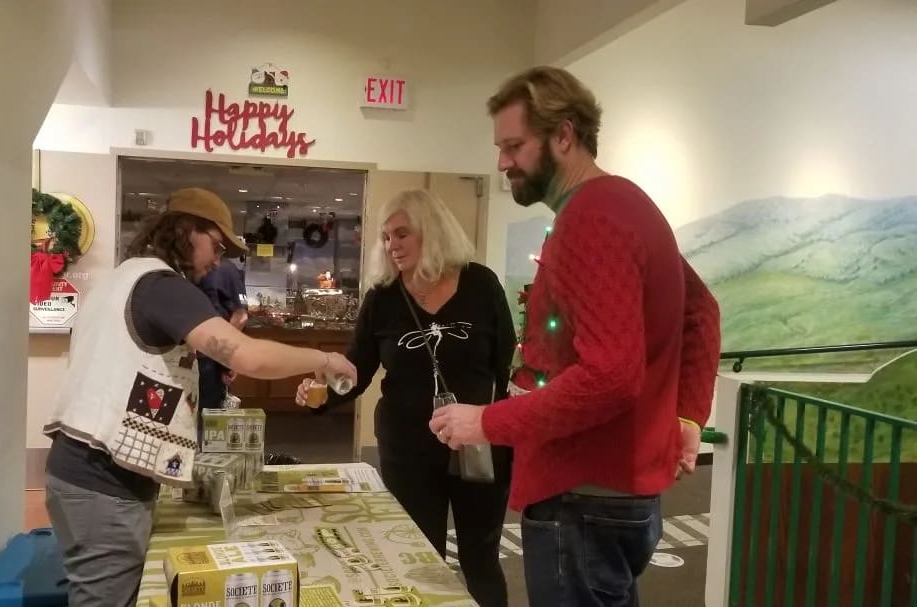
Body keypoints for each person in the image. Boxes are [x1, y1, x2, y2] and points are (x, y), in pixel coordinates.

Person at [429, 66, 721, 606]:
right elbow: (701, 311)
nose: (502, 163)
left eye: (514, 146)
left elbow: (610, 375)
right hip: (619, 496)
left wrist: (487, 422)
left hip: (582, 499)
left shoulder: (589, 217)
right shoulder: (628, 204)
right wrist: (687, 416)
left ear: (563, 135)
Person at [41, 187, 356, 607]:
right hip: (103, 483)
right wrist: (324, 358)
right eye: (217, 245)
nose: (217, 261)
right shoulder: (162, 286)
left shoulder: (123, 276)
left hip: (80, 470)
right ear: (187, 230)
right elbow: (247, 355)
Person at [295, 189, 515, 607]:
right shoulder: (383, 298)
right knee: (419, 558)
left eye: (401, 234)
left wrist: (500, 425)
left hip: (476, 444)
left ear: (431, 232)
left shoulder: (480, 284)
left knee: (481, 559)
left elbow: (502, 363)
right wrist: (322, 396)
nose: (391, 245)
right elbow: (357, 370)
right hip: (407, 449)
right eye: (385, 236)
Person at [195, 258, 249, 411]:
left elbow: (240, 317)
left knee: (201, 413)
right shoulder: (226, 269)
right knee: (207, 415)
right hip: (206, 358)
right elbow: (241, 317)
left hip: (204, 357)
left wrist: (224, 359)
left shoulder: (222, 268)